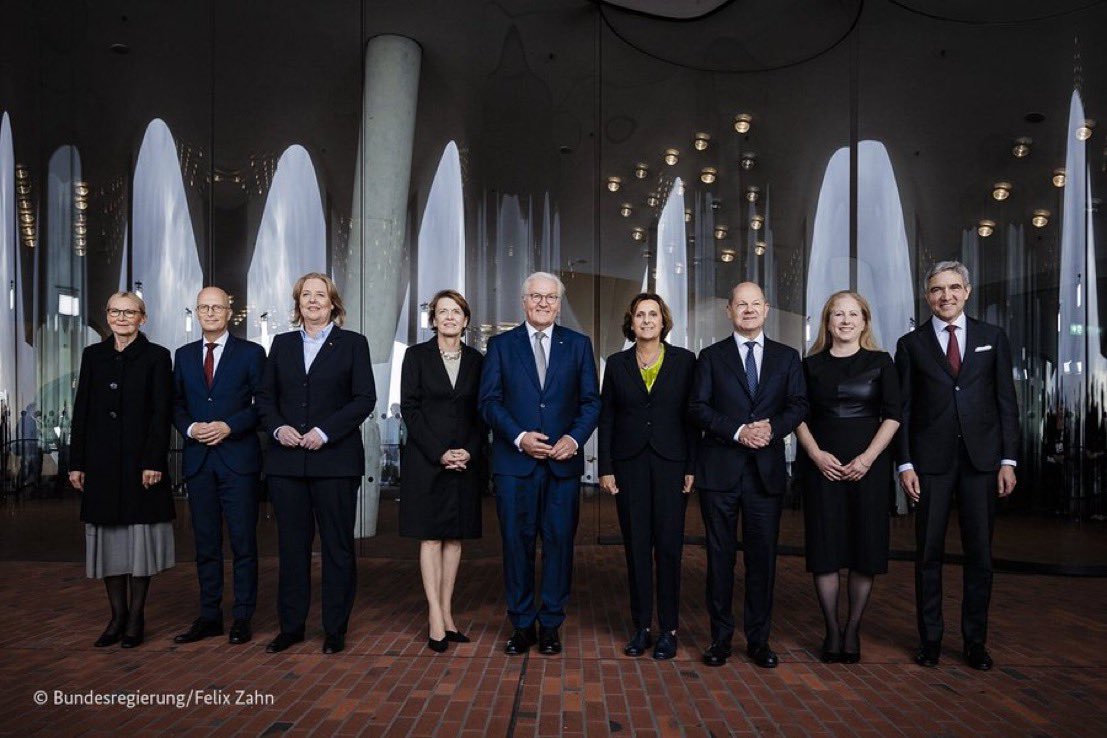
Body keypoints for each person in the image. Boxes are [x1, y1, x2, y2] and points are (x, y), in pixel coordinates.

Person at [895, 261, 1018, 671]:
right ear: (927, 295)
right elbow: (904, 410)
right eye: (936, 290)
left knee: (979, 555)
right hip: (930, 464)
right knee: (928, 553)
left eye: (952, 288)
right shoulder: (910, 345)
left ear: (967, 290)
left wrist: (1008, 459)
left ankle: (974, 643)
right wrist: (905, 463)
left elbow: (1006, 403)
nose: (944, 296)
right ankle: (930, 640)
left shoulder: (992, 337)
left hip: (982, 463)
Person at [478, 271, 600, 656]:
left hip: (562, 466)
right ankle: (521, 624)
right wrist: (519, 438)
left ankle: (550, 624)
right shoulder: (500, 346)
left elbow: (591, 402)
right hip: (515, 466)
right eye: (536, 296)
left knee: (559, 544)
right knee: (517, 544)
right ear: (524, 301)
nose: (544, 303)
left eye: (550, 297)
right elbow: (489, 402)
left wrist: (573, 439)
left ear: (559, 304)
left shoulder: (578, 345)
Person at [256, 272, 375, 655]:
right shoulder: (282, 344)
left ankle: (334, 629)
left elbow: (364, 399)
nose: (312, 301)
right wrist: (278, 430)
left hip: (335, 462)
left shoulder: (354, 344)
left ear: (332, 302)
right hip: (287, 464)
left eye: (319, 295)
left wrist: (324, 432)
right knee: (292, 549)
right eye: (306, 295)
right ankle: (291, 627)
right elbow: (265, 398)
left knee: (338, 549)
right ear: (298, 303)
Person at [689, 282, 807, 668]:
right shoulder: (710, 356)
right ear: (729, 311)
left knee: (762, 560)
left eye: (756, 304)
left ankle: (759, 640)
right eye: (742, 304)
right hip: (720, 472)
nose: (749, 310)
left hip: (765, 474)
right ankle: (720, 639)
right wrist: (739, 431)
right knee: (720, 559)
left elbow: (798, 404)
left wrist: (771, 429)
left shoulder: (788, 357)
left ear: (767, 308)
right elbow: (698, 408)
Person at [794, 291, 901, 664]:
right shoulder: (809, 365)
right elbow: (798, 416)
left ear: (864, 320)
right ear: (827, 321)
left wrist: (869, 459)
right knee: (825, 550)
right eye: (837, 314)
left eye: (852, 314)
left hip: (866, 468)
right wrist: (815, 454)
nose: (845, 320)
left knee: (863, 549)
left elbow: (893, 415)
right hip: (822, 467)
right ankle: (831, 628)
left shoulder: (882, 362)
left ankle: (853, 627)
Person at [69, 292, 175, 648]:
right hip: (100, 465)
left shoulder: (158, 357)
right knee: (109, 544)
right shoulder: (93, 356)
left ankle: (136, 618)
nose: (122, 317)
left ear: (142, 318)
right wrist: (76, 462)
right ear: (107, 316)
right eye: (115, 311)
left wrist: (153, 462)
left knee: (138, 544)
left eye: (130, 312)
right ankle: (115, 617)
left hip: (140, 466)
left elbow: (162, 415)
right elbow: (81, 410)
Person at [598, 293, 696, 661]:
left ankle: (668, 629)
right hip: (629, 465)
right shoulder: (617, 363)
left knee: (669, 548)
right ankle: (641, 626)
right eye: (640, 314)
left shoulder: (686, 361)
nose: (647, 320)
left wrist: (691, 467)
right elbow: (606, 417)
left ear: (663, 320)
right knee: (637, 547)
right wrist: (605, 466)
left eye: (653, 314)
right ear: (632, 322)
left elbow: (692, 419)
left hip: (672, 464)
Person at [171, 286, 266, 646]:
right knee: (205, 545)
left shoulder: (252, 354)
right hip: (199, 462)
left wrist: (230, 425)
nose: (210, 312)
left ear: (230, 312)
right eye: (204, 307)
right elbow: (176, 404)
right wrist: (191, 428)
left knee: (243, 544)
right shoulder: (183, 355)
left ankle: (242, 617)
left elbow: (263, 405)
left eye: (217, 307)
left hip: (238, 461)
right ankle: (209, 616)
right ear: (197, 313)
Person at [399, 289, 486, 652]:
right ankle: (435, 615)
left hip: (465, 461)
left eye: (456, 312)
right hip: (426, 460)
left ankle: (448, 614)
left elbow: (485, 411)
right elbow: (410, 409)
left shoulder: (478, 361)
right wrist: (440, 453)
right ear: (433, 319)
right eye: (442, 312)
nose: (449, 317)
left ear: (465, 321)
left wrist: (468, 451)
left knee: (455, 538)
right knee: (431, 537)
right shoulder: (416, 356)